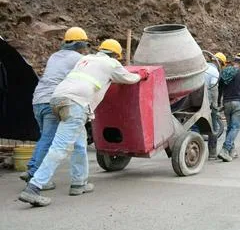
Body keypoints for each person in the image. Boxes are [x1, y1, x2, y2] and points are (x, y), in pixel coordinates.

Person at [18, 39, 149, 207]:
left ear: (101, 49)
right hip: (76, 104)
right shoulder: (111, 63)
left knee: (80, 143)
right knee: (60, 147)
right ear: (116, 55)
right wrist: (142, 75)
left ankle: (79, 183)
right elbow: (129, 78)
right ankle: (33, 188)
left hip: (57, 98)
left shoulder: (84, 59)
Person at [20, 27, 90, 189]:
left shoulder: (54, 56)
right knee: (50, 139)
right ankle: (33, 172)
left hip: (37, 99)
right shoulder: (77, 59)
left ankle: (35, 171)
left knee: (45, 137)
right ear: (80, 44)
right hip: (53, 99)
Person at [217, 51, 240, 162]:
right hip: (238, 103)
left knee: (230, 127)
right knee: (235, 128)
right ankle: (225, 150)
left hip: (226, 103)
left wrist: (218, 103)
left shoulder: (224, 72)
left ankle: (231, 151)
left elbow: (219, 89)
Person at [196, 52, 227, 159]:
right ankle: (212, 154)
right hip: (207, 104)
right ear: (220, 64)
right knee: (213, 128)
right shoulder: (214, 72)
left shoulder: (201, 67)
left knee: (194, 126)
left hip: (194, 101)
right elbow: (214, 90)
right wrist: (215, 106)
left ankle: (194, 150)